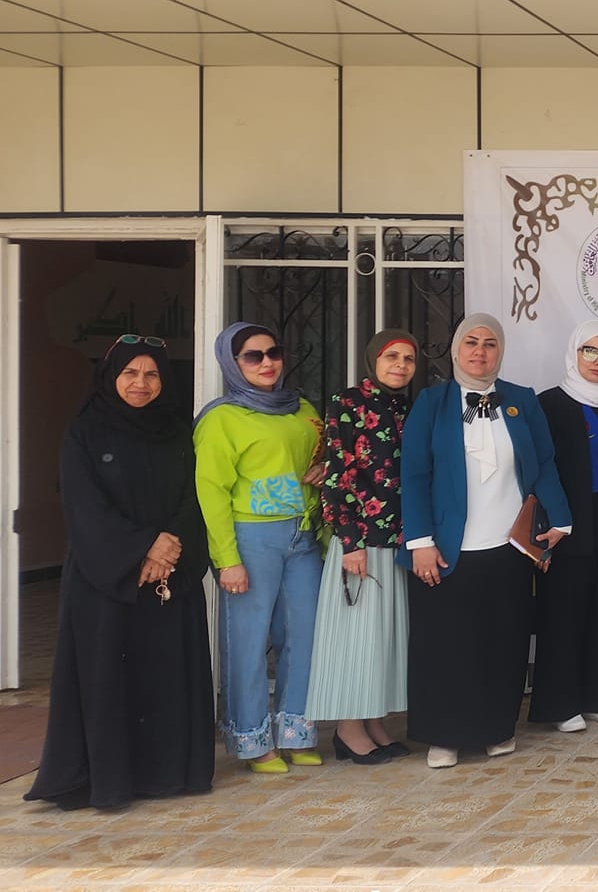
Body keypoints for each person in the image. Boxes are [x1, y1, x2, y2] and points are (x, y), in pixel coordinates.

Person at [24, 335, 213, 808]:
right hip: (104, 580)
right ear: (111, 376)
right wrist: (143, 546)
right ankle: (109, 779)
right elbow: (83, 506)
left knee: (164, 678)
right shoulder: (84, 432)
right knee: (109, 677)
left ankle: (166, 775)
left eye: (151, 374)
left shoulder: (177, 432)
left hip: (169, 578)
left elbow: (196, 495)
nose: (140, 383)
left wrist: (168, 548)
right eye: (130, 373)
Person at [401, 313, 572, 769]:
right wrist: (420, 541)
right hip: (446, 549)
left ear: (500, 351)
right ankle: (445, 737)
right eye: (471, 342)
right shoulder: (431, 403)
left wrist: (561, 521)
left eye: (490, 343)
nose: (480, 351)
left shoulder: (521, 400)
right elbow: (413, 474)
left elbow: (544, 464)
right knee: (447, 645)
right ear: (456, 350)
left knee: (504, 640)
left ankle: (498, 728)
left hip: (508, 547)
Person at [194, 322, 326, 773]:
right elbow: (211, 492)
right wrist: (227, 559)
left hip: (303, 535)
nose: (267, 363)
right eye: (253, 356)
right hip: (252, 538)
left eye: (274, 353)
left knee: (304, 636)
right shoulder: (221, 419)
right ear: (232, 363)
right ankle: (252, 741)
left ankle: (296, 732)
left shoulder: (301, 408)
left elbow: (317, 456)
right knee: (248, 642)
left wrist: (325, 468)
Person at [305, 329, 419, 765]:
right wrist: (350, 540)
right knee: (356, 637)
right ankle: (348, 729)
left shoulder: (406, 407)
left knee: (380, 638)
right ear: (373, 359)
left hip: (395, 540)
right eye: (392, 357)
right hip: (361, 542)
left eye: (408, 359)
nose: (400, 366)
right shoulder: (348, 403)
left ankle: (374, 721)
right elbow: (338, 473)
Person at [531, 321, 598, 733]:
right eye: (590, 350)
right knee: (563, 609)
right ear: (574, 352)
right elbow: (538, 468)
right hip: (565, 519)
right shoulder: (549, 404)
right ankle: (561, 704)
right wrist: (550, 521)